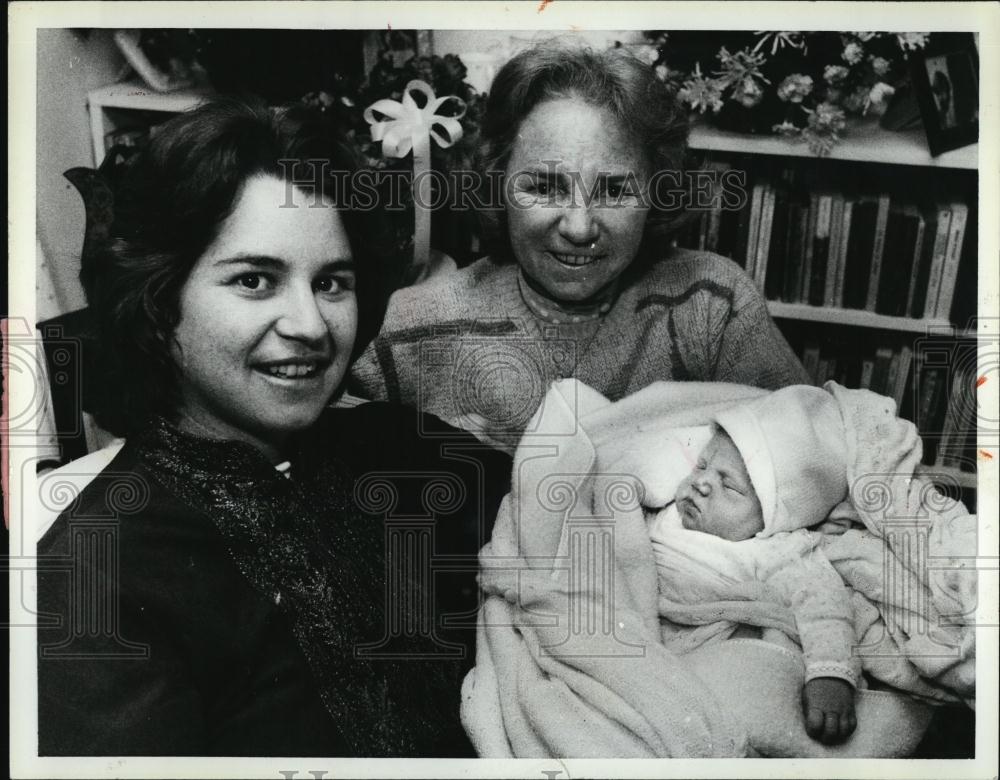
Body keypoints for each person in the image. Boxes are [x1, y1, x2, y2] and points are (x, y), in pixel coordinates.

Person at [36, 97, 511, 757]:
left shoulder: (394, 447)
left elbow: (584, 506)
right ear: (158, 298)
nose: (311, 326)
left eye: (332, 283)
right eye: (256, 280)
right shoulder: (97, 570)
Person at [350, 42, 808, 450]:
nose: (579, 227)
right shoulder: (412, 326)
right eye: (545, 187)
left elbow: (815, 448)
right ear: (497, 183)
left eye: (613, 190)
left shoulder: (711, 305)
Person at [646, 385, 859, 745]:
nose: (701, 483)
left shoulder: (775, 550)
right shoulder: (664, 512)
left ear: (772, 519)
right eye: (702, 466)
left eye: (729, 488)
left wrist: (831, 675)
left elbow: (825, 607)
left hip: (709, 653)